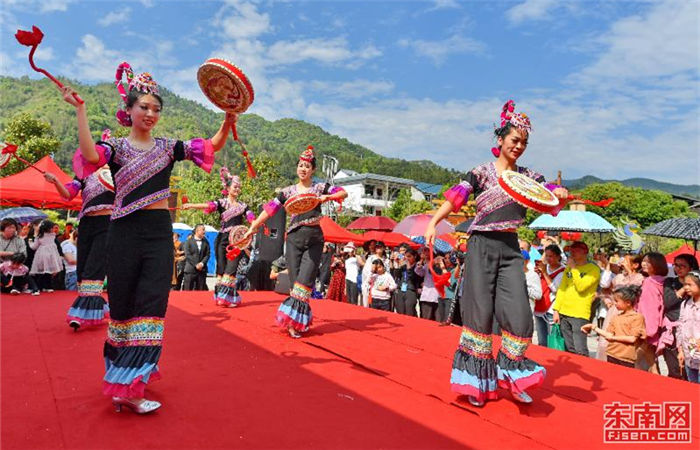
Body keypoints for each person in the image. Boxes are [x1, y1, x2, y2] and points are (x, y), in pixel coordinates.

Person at [60, 61, 234, 413]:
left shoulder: (169, 147)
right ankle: (122, 382)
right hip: (122, 231)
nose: (150, 113)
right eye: (144, 107)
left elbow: (211, 146)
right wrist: (81, 110)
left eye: (156, 108)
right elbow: (91, 156)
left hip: (157, 233)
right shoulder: (117, 149)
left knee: (153, 305)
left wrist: (227, 120)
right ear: (129, 110)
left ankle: (135, 386)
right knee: (123, 307)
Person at [425, 100, 569, 406]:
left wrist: (559, 194)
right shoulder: (481, 172)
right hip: (480, 245)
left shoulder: (529, 175)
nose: (519, 146)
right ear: (500, 139)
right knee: (480, 315)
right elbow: (456, 199)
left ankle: (512, 375)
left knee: (519, 318)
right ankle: (477, 385)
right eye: (515, 140)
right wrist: (435, 222)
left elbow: (549, 196)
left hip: (510, 248)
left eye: (524, 142)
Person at [244, 146, 347, 338]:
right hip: (293, 240)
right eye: (300, 165)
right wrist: (253, 226)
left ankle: (296, 321)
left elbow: (343, 193)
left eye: (307, 166)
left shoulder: (319, 188)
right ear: (296, 168)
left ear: (313, 170)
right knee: (294, 284)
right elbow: (269, 209)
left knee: (305, 282)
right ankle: (295, 322)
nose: (303, 169)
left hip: (315, 240)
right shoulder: (287, 192)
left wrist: (327, 197)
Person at [46, 168, 114, 329]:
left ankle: (81, 313)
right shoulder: (84, 173)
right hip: (86, 224)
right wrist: (55, 181)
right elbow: (68, 194)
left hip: (108, 223)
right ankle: (99, 307)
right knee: (82, 271)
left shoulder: (118, 170)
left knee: (93, 269)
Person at [183, 168, 255, 303]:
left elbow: (252, 218)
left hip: (236, 241)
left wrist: (255, 224)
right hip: (222, 239)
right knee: (221, 269)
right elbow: (207, 205)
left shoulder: (243, 206)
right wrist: (191, 205)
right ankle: (221, 296)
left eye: (239, 187)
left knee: (231, 269)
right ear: (227, 188)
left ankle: (228, 297)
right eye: (235, 186)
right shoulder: (221, 203)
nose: (237, 189)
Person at [552, 241, 601, 357]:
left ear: (585, 252)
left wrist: (574, 268)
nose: (572, 252)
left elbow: (581, 287)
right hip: (564, 312)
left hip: (579, 313)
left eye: (576, 250)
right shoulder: (568, 269)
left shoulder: (593, 269)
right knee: (569, 348)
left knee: (580, 349)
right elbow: (562, 289)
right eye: (571, 250)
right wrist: (556, 310)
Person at [581, 285, 646, 368]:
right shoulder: (616, 317)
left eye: (617, 301)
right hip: (611, 354)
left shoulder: (638, 317)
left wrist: (613, 338)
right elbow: (608, 335)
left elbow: (632, 338)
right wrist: (593, 327)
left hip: (626, 358)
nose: (614, 304)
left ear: (628, 303)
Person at [595, 254, 644, 360]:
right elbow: (605, 289)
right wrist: (608, 301)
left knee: (622, 343)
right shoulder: (619, 277)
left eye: (626, 261)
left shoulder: (640, 278)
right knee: (606, 342)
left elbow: (632, 292)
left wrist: (630, 273)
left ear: (635, 265)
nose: (622, 262)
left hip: (629, 313)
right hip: (614, 312)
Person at [661, 254, 698, 379]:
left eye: (682, 266)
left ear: (691, 267)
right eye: (675, 265)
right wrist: (685, 288)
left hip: (693, 333)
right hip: (672, 330)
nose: (678, 268)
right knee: (675, 368)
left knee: (691, 369)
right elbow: (668, 302)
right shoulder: (670, 282)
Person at [635, 252, 668, 373]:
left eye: (648, 262)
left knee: (637, 360)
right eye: (644, 261)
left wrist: (648, 330)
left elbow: (650, 308)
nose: (644, 264)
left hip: (646, 326)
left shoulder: (650, 282)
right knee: (651, 361)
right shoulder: (662, 282)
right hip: (655, 325)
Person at [533, 245, 565, 346]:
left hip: (551, 309)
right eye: (546, 256)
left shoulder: (563, 271)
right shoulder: (543, 267)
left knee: (551, 341)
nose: (548, 259)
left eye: (551, 256)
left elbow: (555, 289)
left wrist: (545, 273)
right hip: (539, 305)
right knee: (541, 340)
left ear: (558, 256)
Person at [28, 220, 63, 293]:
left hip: (42, 254)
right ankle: (48, 286)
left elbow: (34, 247)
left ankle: (39, 286)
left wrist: (30, 242)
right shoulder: (53, 235)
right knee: (49, 272)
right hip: (52, 255)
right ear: (50, 228)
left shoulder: (39, 236)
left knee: (41, 272)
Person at [678, 271, 700, 383]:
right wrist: (680, 350)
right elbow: (680, 326)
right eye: (685, 284)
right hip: (689, 353)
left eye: (690, 285)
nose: (686, 287)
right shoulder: (685, 304)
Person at [183, 224, 211, 292]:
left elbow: (207, 254)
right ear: (197, 231)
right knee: (187, 291)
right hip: (190, 270)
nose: (204, 231)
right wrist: (196, 264)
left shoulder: (206, 242)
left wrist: (202, 264)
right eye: (203, 230)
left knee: (200, 292)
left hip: (202, 271)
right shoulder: (188, 242)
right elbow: (187, 255)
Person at [395, 249, 421, 317]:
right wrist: (397, 264)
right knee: (400, 312)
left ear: (415, 256)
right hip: (401, 289)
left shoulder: (418, 266)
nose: (407, 259)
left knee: (410, 312)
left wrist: (409, 266)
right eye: (406, 257)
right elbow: (397, 275)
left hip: (411, 290)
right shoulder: (403, 266)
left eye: (409, 256)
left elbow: (414, 278)